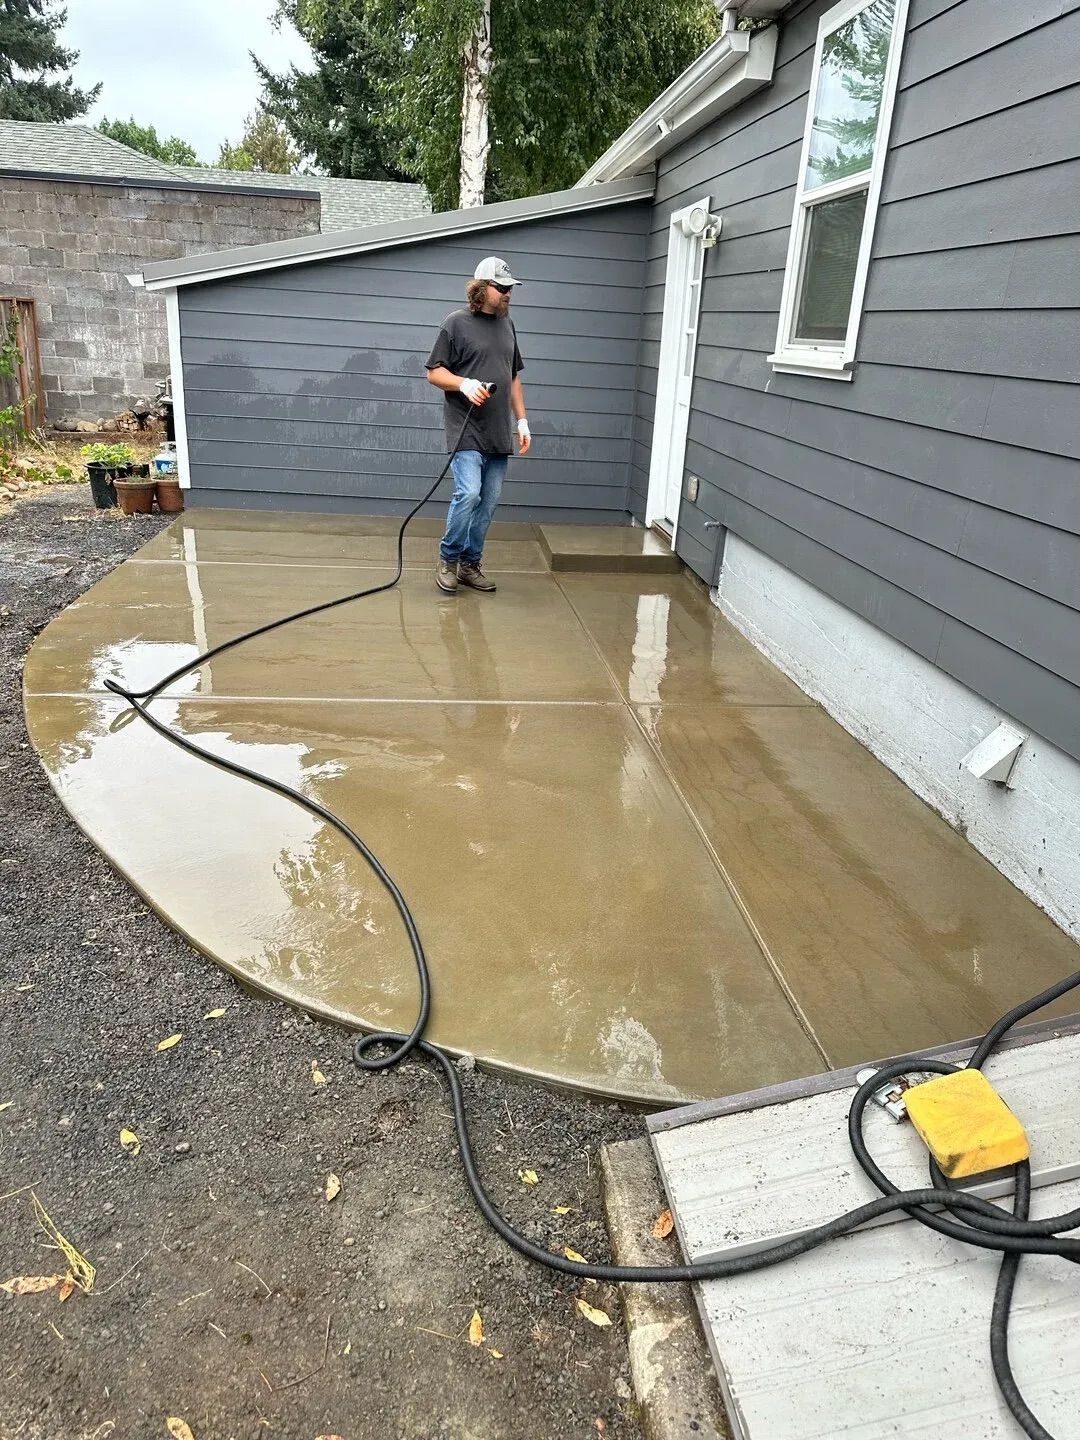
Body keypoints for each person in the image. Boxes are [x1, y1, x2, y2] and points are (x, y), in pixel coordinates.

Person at [424, 257, 531, 594]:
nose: (508, 294)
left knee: (488, 502)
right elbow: (434, 372)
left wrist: (523, 420)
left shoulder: (507, 325)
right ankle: (448, 560)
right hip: (465, 428)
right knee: (468, 493)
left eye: (511, 289)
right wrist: (464, 384)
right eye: (502, 288)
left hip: (498, 430)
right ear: (482, 288)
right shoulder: (455, 324)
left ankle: (471, 565)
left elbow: (513, 377)